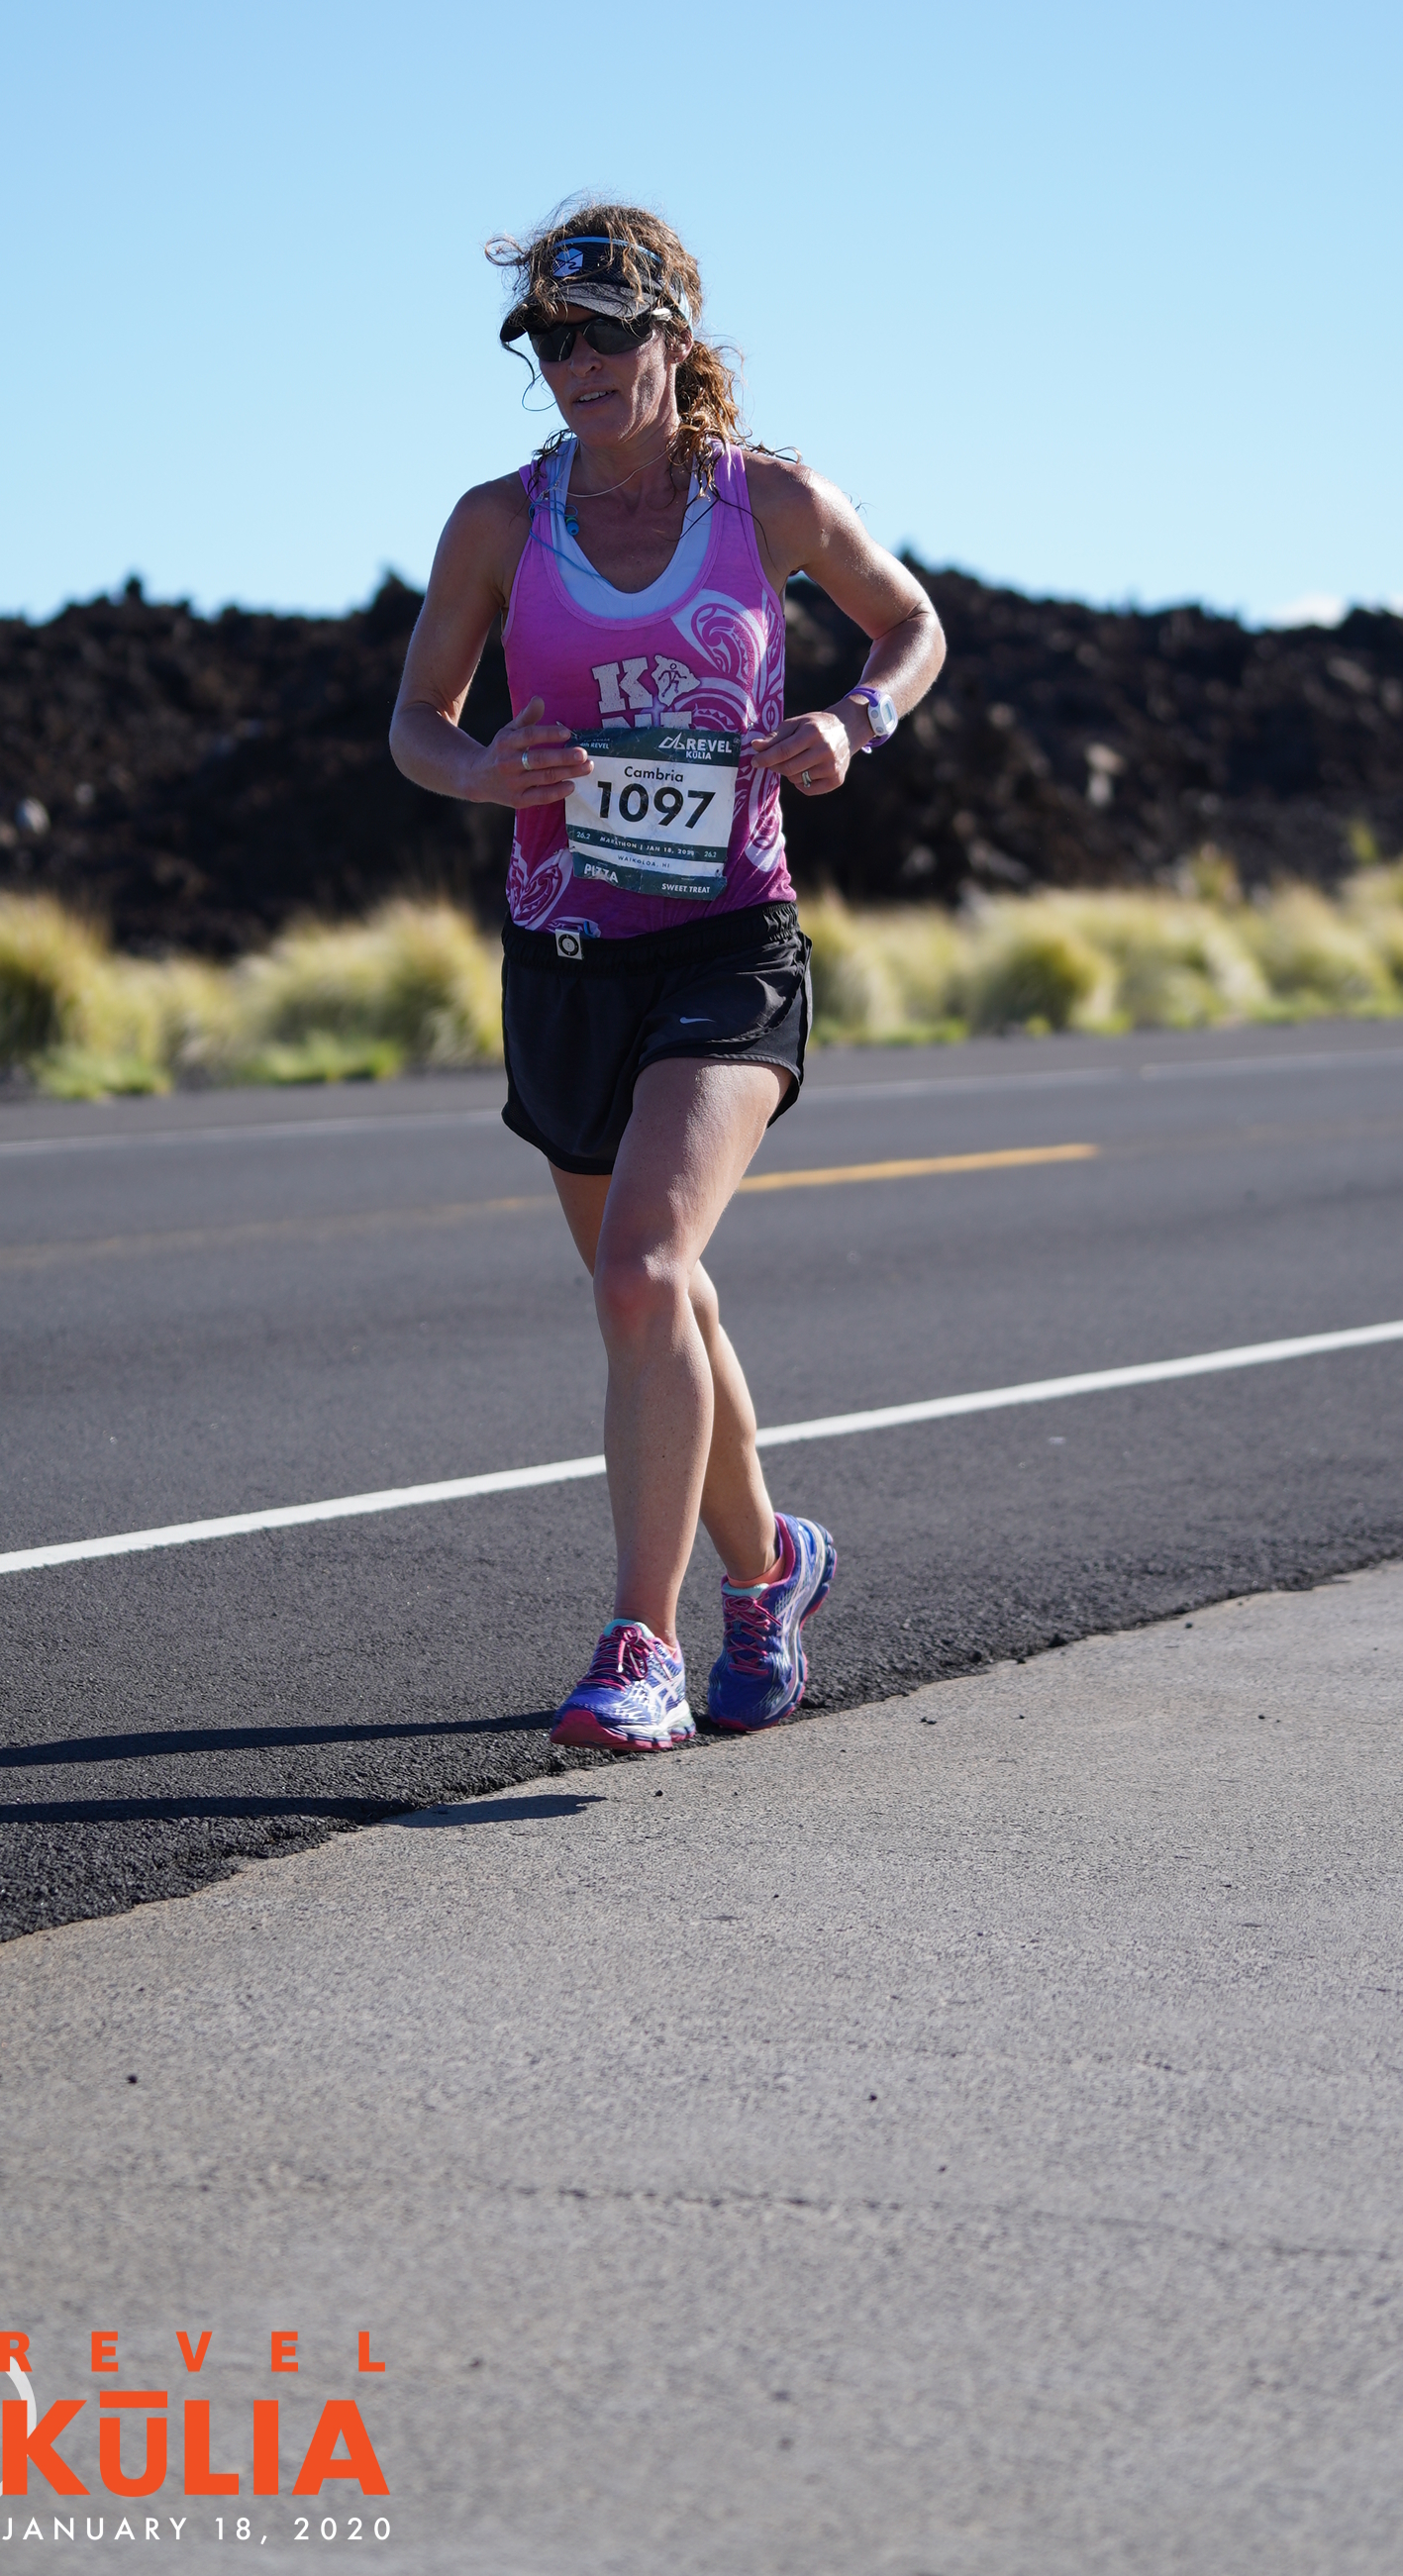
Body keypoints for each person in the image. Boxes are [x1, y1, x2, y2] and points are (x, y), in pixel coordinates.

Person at [388, 202, 946, 1751]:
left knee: (641, 1272)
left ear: (671, 337)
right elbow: (417, 720)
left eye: (606, 333)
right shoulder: (499, 524)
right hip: (567, 959)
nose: (578, 363)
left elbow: (911, 625)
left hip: (728, 947)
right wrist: (482, 771)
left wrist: (853, 723)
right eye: (551, 340)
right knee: (657, 1297)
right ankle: (772, 1573)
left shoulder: (769, 504)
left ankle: (645, 1647)